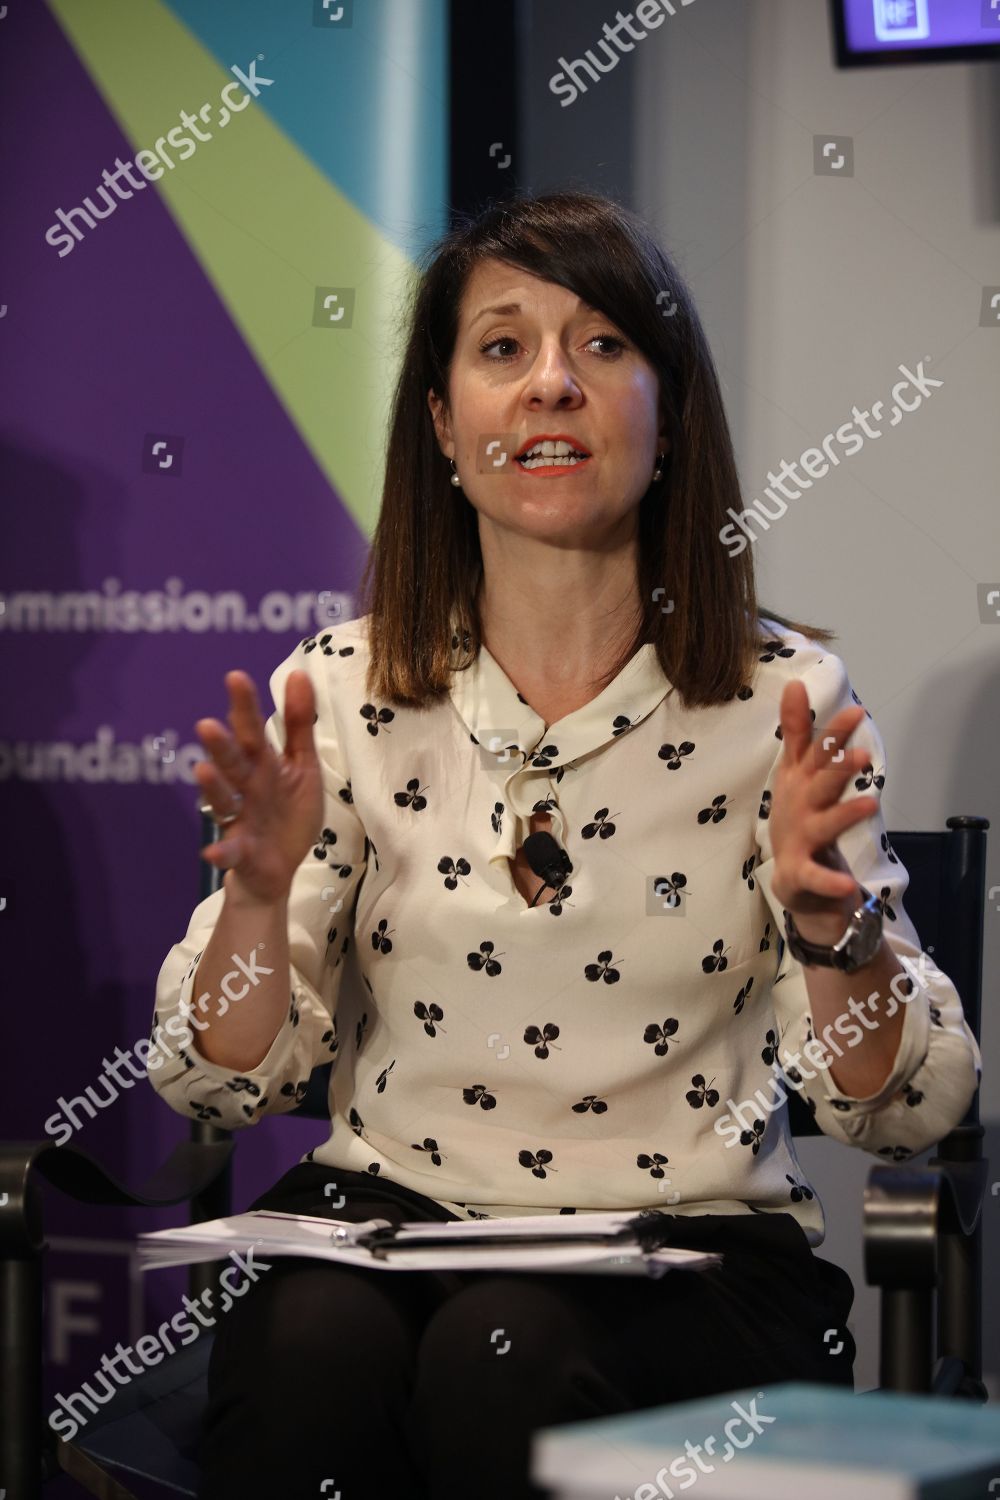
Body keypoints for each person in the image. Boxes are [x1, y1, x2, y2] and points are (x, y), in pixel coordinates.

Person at [149, 190, 982, 1500]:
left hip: (691, 1265)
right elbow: (215, 1087)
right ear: (442, 421)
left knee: (507, 1357)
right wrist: (255, 905)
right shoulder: (343, 688)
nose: (550, 385)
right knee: (309, 1348)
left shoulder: (785, 700)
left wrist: (835, 924)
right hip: (389, 1239)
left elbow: (904, 1111)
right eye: (502, 348)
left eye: (602, 345)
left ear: (669, 415)